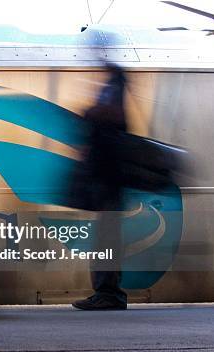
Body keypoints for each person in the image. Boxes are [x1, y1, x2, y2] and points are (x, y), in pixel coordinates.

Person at [72, 65, 128, 311]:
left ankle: (109, 293)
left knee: (107, 237)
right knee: (105, 237)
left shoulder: (115, 87)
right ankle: (107, 292)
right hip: (106, 179)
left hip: (109, 179)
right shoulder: (113, 87)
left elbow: (114, 117)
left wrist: (90, 112)